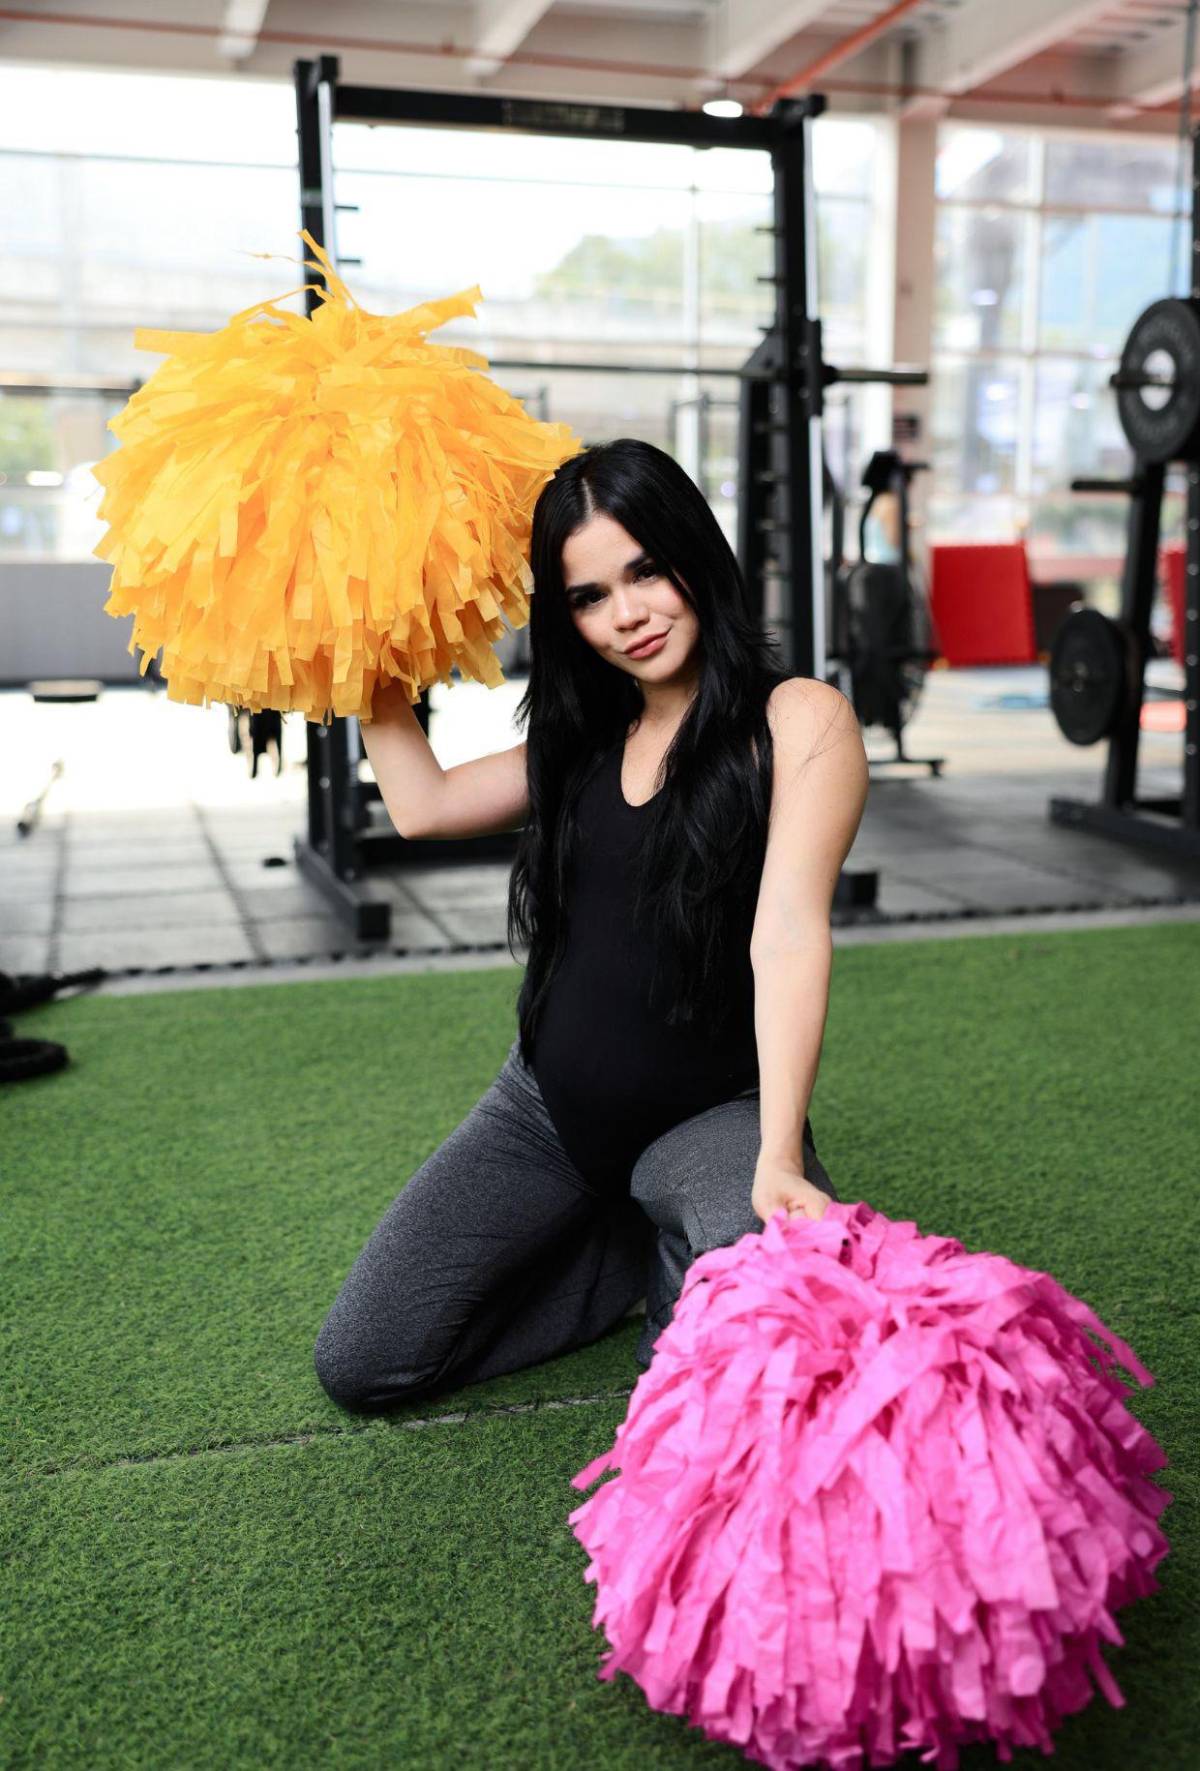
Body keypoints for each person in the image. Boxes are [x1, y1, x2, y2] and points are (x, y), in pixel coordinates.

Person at [313, 437, 869, 1412]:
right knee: (364, 1361)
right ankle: (619, 1256)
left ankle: (675, 1246)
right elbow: (423, 805)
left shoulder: (799, 719)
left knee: (750, 1355)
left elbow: (786, 933)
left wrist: (778, 1153)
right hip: (544, 1113)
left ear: (694, 553)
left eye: (645, 571)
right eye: (590, 596)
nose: (628, 614)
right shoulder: (583, 735)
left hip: (711, 1119)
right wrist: (362, 649)